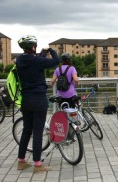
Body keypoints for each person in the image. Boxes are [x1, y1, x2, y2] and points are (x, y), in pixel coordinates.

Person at [16, 35, 60, 172]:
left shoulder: (19, 60)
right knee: (37, 132)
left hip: (26, 99)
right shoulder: (37, 61)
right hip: (38, 99)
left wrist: (42, 53)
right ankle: (37, 165)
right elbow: (56, 61)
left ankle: (21, 162)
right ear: (33, 47)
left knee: (26, 130)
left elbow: (35, 61)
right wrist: (51, 50)